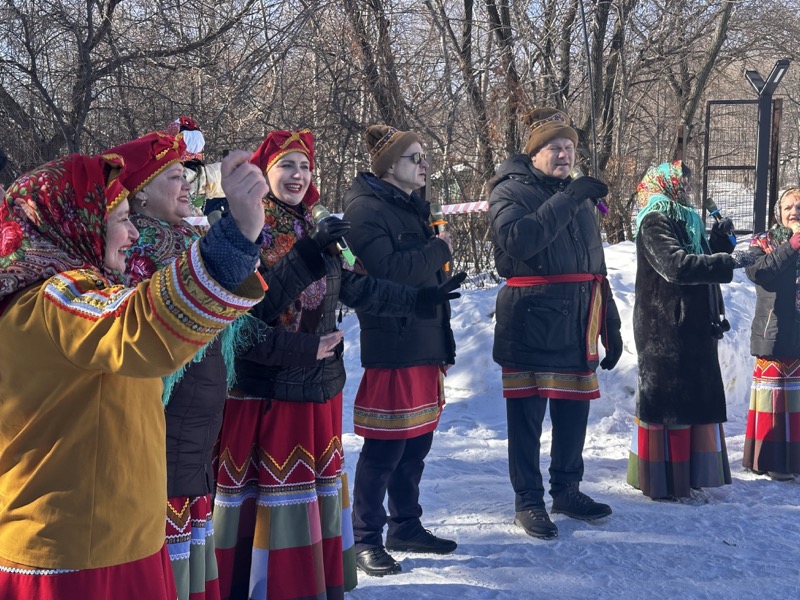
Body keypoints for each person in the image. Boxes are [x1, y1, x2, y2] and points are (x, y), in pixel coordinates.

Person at [0, 146, 269, 598]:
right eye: (120, 219)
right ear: (75, 224)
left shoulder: (43, 295)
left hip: (108, 540)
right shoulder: (54, 300)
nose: (130, 234)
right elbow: (139, 328)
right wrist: (238, 235)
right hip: (79, 559)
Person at [212, 129, 462, 599]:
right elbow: (256, 312)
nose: (298, 175)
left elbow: (357, 287)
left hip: (318, 382)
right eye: (287, 165)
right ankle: (263, 586)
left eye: (305, 166)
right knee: (272, 498)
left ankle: (307, 582)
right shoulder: (250, 229)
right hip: (268, 389)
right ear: (263, 174)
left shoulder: (313, 224)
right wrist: (309, 251)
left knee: (309, 496)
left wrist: (421, 297)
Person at [109, 131, 329, 600]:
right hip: (160, 433)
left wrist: (308, 351)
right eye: (173, 176)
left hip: (198, 433)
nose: (187, 185)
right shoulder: (136, 257)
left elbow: (241, 326)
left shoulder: (189, 240)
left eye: (188, 175)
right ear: (139, 190)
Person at [488, 107, 621, 541]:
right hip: (530, 316)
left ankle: (567, 489)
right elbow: (518, 242)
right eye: (554, 147)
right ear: (534, 153)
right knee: (527, 417)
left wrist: (611, 320)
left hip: (580, 314)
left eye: (569, 147)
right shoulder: (509, 191)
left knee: (573, 412)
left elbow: (593, 263)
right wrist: (568, 197)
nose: (564, 154)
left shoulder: (576, 194)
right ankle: (528, 499)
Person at [342, 124, 461, 577]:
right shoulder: (365, 208)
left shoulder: (411, 206)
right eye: (414, 157)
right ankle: (365, 539)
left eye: (424, 155)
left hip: (425, 340)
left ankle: (406, 525)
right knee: (385, 447)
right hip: (392, 340)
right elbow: (389, 271)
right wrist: (438, 249)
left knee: (417, 444)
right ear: (389, 166)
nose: (424, 163)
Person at [626, 160, 755, 500]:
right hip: (665, 327)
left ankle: (689, 475)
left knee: (692, 403)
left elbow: (699, 257)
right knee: (671, 405)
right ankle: (665, 480)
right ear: (664, 183)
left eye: (688, 181)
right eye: (681, 182)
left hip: (691, 326)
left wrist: (719, 243)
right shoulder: (655, 218)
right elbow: (675, 266)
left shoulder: (685, 218)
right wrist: (732, 262)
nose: (687, 187)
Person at [741, 186, 800, 481]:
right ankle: (772, 459)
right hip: (774, 330)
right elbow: (758, 273)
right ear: (779, 212)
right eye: (789, 207)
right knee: (776, 400)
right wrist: (792, 246)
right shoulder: (763, 240)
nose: (795, 212)